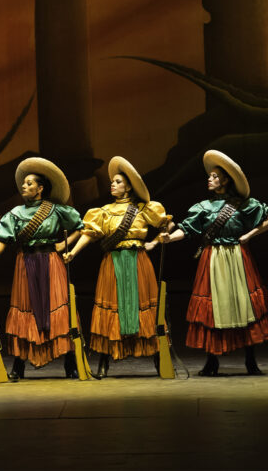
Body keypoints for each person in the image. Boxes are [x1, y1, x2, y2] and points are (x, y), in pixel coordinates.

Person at [162, 151, 268, 376]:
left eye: (215, 176)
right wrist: (169, 238)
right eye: (210, 176)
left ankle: (251, 360)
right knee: (213, 308)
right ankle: (212, 361)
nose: (210, 179)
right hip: (212, 257)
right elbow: (186, 229)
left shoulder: (244, 205)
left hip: (237, 256)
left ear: (226, 180)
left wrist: (249, 235)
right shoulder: (203, 206)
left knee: (243, 304)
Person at [63, 157, 169, 377]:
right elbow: (89, 234)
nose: (112, 184)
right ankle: (104, 360)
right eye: (112, 181)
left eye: (118, 182)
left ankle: (158, 357)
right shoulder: (103, 211)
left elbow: (166, 224)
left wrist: (156, 241)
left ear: (129, 186)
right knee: (113, 307)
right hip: (113, 262)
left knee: (143, 306)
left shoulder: (144, 209)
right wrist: (73, 252)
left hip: (138, 260)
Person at [0, 157, 82, 379]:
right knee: (25, 309)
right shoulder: (15, 213)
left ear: (40, 188)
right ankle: (19, 365)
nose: (24, 187)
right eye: (24, 183)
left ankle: (70, 363)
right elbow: (3, 240)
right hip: (25, 263)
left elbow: (80, 227)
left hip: (51, 261)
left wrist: (63, 244)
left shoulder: (55, 210)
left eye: (29, 183)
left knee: (57, 306)